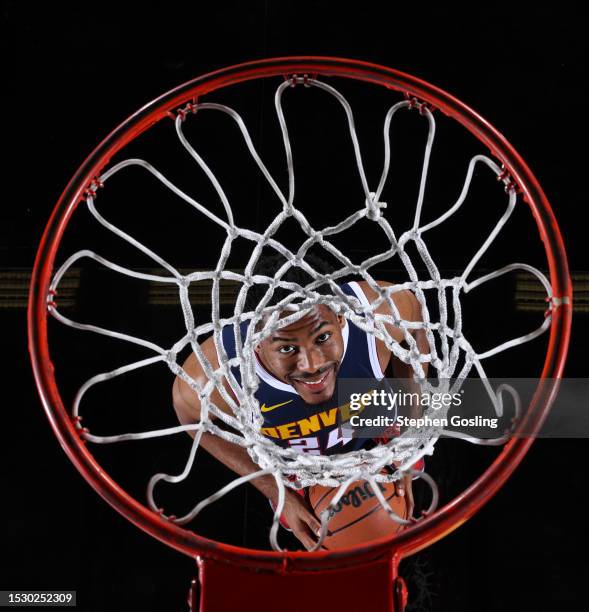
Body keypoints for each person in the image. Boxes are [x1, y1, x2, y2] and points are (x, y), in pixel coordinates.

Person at [172, 254, 428, 550]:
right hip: (301, 476)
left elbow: (416, 328)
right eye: (287, 348)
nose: (311, 365)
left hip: (374, 441)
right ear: (256, 338)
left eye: (322, 338)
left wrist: (407, 443)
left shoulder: (380, 310)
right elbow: (190, 417)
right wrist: (276, 489)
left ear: (341, 316)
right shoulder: (216, 372)